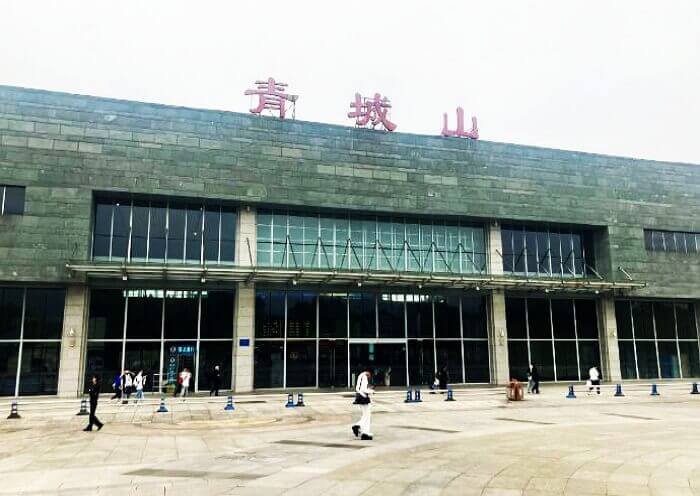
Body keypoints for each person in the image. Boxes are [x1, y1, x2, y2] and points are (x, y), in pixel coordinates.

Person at [351, 367, 373, 441]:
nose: (370, 376)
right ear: (368, 372)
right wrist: (371, 391)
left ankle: (361, 428)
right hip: (363, 397)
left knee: (365, 415)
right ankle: (364, 432)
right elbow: (363, 389)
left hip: (359, 396)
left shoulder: (360, 376)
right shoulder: (364, 377)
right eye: (370, 375)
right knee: (367, 415)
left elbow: (359, 388)